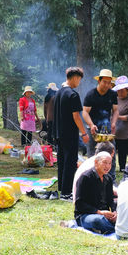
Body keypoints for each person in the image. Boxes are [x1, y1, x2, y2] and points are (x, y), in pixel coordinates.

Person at [53, 67, 90, 200]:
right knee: (70, 162)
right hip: (69, 133)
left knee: (62, 161)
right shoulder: (73, 95)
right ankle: (66, 193)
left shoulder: (58, 93)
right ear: (74, 77)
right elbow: (76, 117)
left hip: (58, 132)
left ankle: (62, 188)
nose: (79, 82)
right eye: (79, 79)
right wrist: (84, 133)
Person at [74, 152, 117, 234]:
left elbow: (110, 200)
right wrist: (99, 212)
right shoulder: (86, 177)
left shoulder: (108, 178)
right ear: (96, 162)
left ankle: (113, 226)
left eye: (110, 163)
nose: (107, 166)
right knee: (98, 220)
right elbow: (79, 204)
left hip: (105, 214)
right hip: (86, 215)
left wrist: (115, 212)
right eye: (104, 162)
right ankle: (117, 229)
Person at [82, 69, 118, 156]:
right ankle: (92, 169)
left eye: (109, 83)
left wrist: (113, 123)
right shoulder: (91, 94)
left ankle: (111, 169)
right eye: (104, 82)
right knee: (92, 152)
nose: (107, 85)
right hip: (92, 128)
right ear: (99, 81)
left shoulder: (112, 94)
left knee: (111, 150)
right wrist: (91, 125)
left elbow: (116, 110)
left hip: (107, 127)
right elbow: (85, 112)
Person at [113, 76, 128, 171]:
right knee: (121, 152)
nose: (119, 92)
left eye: (122, 90)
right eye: (118, 90)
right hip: (117, 133)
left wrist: (118, 117)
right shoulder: (114, 100)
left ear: (127, 90)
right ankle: (122, 168)